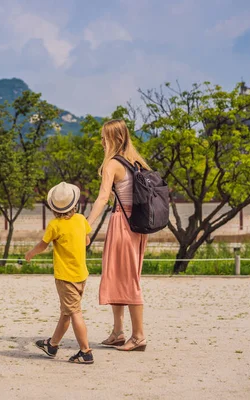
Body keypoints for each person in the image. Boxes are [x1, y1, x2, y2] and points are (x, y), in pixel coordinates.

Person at [87, 119, 149, 352]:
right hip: (137, 226)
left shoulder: (113, 164)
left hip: (122, 224)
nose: (101, 141)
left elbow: (103, 198)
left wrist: (87, 225)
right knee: (118, 276)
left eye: (104, 137)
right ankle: (118, 332)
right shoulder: (137, 161)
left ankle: (139, 336)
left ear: (115, 139)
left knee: (128, 279)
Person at [26, 182, 94, 364]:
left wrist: (31, 253)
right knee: (67, 311)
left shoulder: (55, 225)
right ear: (74, 203)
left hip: (65, 277)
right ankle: (52, 345)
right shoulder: (81, 219)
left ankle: (86, 351)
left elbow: (43, 245)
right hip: (81, 274)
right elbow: (87, 241)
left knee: (75, 313)